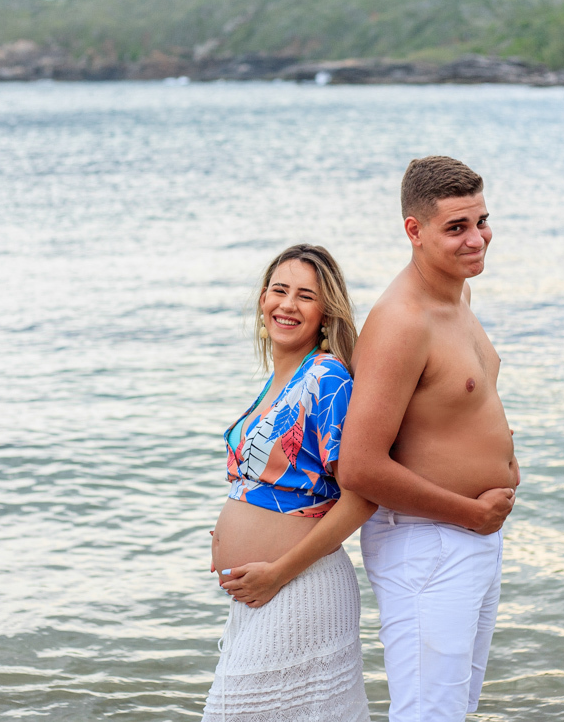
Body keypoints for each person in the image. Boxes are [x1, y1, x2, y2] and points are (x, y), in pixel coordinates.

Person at [338, 156, 521, 722]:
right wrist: (470, 512)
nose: (477, 239)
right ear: (414, 230)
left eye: (482, 221)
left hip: (470, 535)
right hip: (428, 542)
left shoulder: (457, 297)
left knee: (453, 709)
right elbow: (359, 466)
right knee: (428, 714)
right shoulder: (402, 322)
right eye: (457, 227)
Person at [202, 243, 375, 722]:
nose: (288, 304)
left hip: (300, 585)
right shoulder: (279, 381)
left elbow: (361, 498)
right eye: (279, 290)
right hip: (263, 592)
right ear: (263, 299)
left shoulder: (328, 378)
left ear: (325, 313)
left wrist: (278, 571)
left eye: (305, 296)